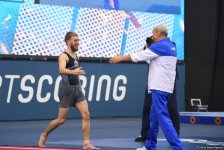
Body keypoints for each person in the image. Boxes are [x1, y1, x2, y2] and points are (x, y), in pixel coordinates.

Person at [109, 24, 184, 150]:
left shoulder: (160, 45)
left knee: (163, 119)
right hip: (165, 87)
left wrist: (120, 58)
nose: (152, 36)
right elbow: (151, 60)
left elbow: (139, 56)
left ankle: (178, 147)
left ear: (159, 34)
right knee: (154, 118)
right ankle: (150, 146)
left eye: (153, 33)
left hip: (160, 88)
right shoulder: (170, 46)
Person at [38, 32, 100, 150]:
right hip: (66, 90)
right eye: (75, 40)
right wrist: (74, 72)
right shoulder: (63, 56)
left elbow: (75, 75)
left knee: (86, 114)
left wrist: (80, 87)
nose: (78, 42)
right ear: (68, 42)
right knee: (61, 120)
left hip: (77, 89)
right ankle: (44, 134)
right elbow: (62, 69)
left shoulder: (76, 57)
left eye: (78, 40)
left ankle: (86, 143)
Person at [135, 37, 180, 142]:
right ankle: (145, 134)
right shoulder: (151, 46)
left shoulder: (171, 44)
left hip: (168, 82)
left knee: (172, 108)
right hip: (153, 81)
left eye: (155, 34)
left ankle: (175, 136)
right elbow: (142, 55)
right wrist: (147, 46)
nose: (154, 36)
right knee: (147, 108)